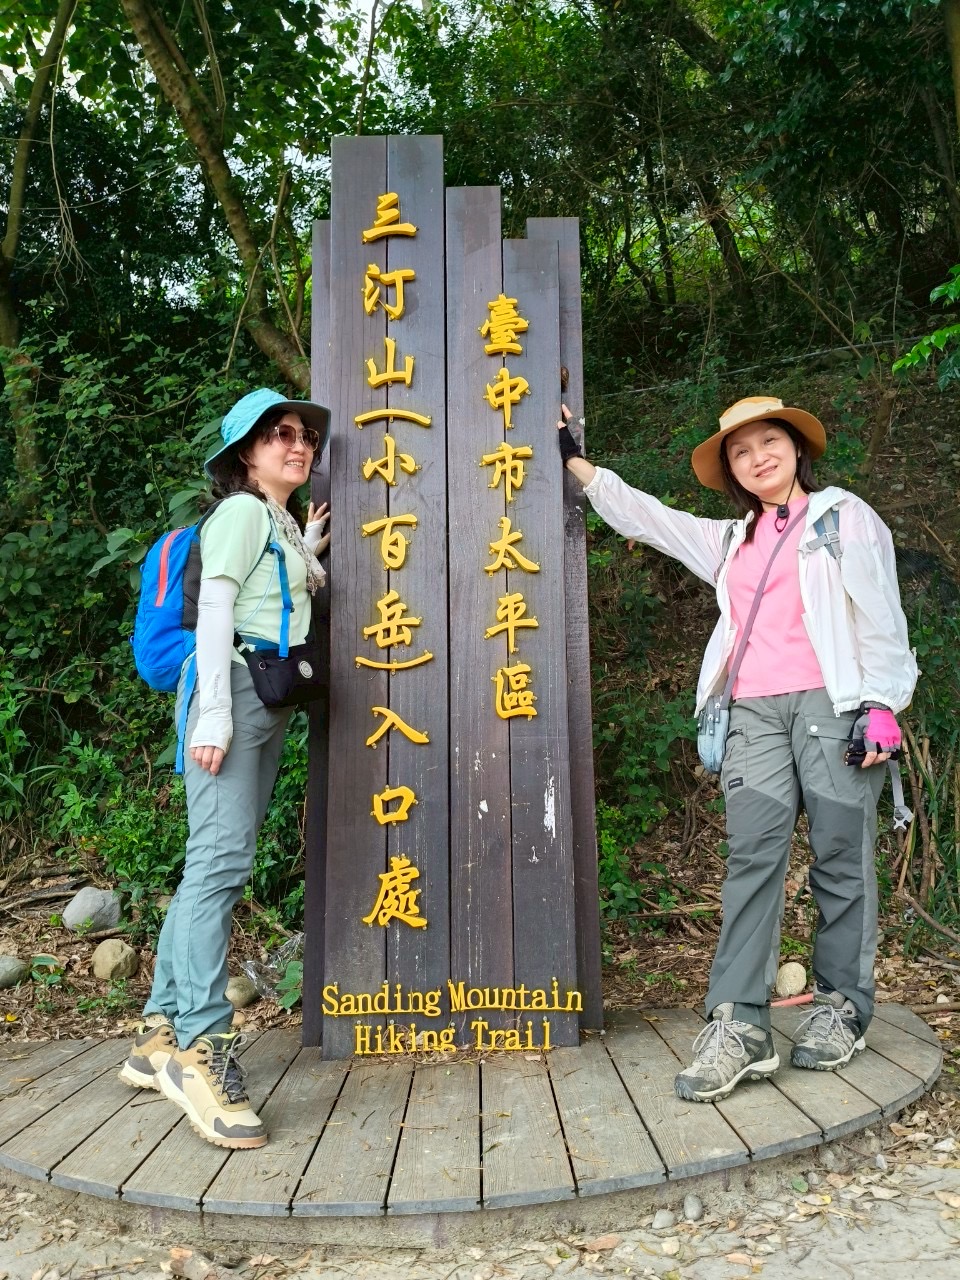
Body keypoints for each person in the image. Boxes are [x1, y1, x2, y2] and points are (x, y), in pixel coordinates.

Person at [558, 394, 917, 1102]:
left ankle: (842, 1007)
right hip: (751, 712)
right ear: (731, 470)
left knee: (841, 857)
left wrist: (883, 704)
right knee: (753, 860)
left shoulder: (842, 517)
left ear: (797, 448)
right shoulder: (728, 541)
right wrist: (577, 463)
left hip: (834, 706)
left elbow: (882, 612)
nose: (758, 458)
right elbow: (649, 518)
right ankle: (741, 1024)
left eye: (769, 442)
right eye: (741, 451)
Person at [120, 387, 331, 1148]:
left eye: (305, 434)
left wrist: (306, 546)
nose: (298, 444)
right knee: (219, 865)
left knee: (211, 863)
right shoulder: (241, 512)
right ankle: (200, 1047)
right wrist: (212, 712)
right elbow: (215, 611)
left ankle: (158, 1032)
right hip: (233, 693)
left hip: (258, 697)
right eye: (280, 434)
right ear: (246, 452)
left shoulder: (271, 520)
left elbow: (272, 599)